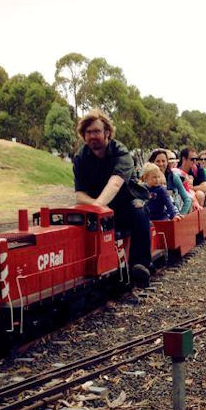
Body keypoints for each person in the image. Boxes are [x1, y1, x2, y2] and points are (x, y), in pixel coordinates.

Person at [73, 109, 152, 288]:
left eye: (96, 131)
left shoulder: (121, 152)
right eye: (88, 132)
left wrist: (98, 208)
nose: (92, 136)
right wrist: (96, 208)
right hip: (98, 208)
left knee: (139, 209)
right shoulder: (80, 157)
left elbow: (115, 184)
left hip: (124, 204)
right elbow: (79, 194)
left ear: (107, 132)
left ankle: (140, 264)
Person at [149, 149, 194, 215]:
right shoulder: (147, 178)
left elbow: (187, 200)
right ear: (152, 162)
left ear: (167, 163)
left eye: (163, 161)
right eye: (158, 161)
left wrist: (181, 216)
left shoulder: (174, 177)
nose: (161, 164)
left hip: (172, 214)